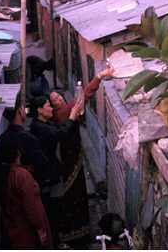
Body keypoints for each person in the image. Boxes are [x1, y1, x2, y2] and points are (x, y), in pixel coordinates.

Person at [49, 66, 114, 247]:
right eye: (54, 99)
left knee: (74, 194)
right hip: (70, 160)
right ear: (52, 106)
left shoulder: (60, 115)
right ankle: (78, 233)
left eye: (59, 96)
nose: (59, 99)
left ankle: (75, 232)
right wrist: (99, 76)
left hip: (70, 158)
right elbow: (85, 95)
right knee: (75, 195)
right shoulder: (64, 114)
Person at [29, 95, 82, 247]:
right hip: (47, 176)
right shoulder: (39, 127)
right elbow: (61, 134)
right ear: (39, 110)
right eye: (48, 105)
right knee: (53, 209)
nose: (51, 108)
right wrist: (72, 116)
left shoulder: (44, 123)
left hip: (50, 172)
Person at [0, 136, 53, 249]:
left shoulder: (0, 174)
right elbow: (32, 207)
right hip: (26, 232)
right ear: (16, 153)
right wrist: (40, 228)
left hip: (11, 227)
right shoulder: (21, 176)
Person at [0, 94, 50, 189]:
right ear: (20, 111)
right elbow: (43, 165)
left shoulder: (1, 139)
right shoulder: (28, 139)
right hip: (31, 187)